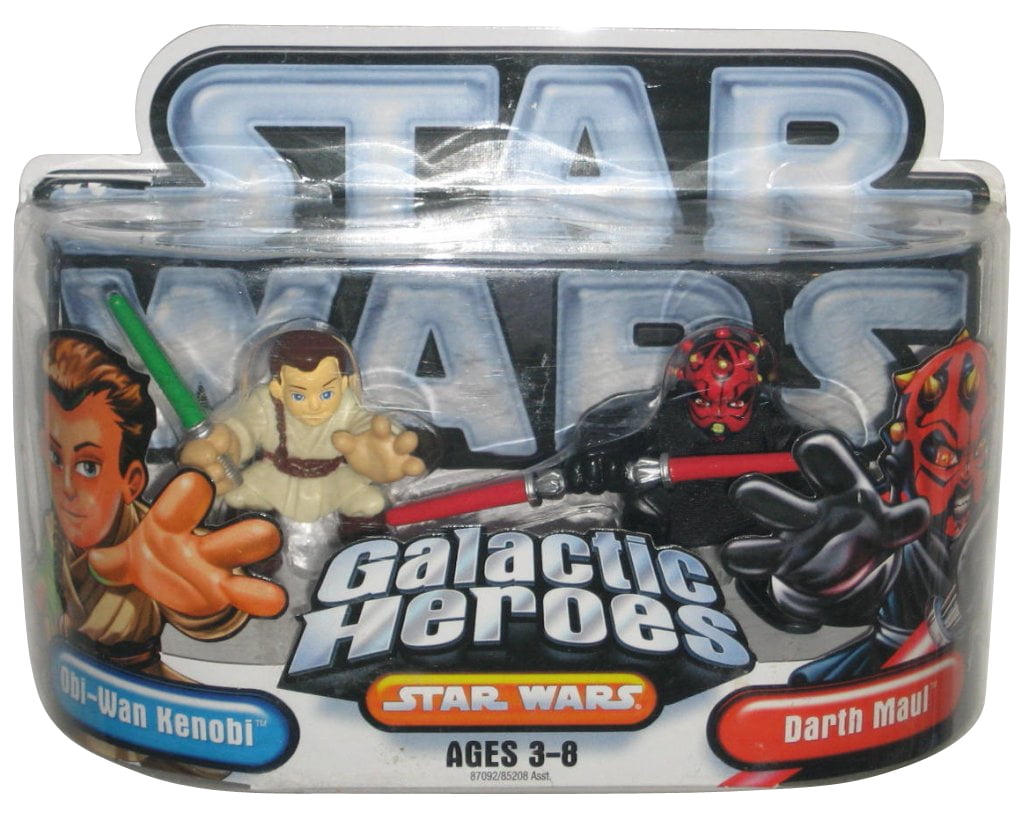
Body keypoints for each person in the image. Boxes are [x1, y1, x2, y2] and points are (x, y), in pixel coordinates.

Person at [723, 330, 990, 681]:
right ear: (900, 462)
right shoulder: (888, 529)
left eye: (979, 452)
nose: (966, 475)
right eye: (945, 456)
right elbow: (854, 589)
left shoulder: (980, 528)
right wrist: (815, 576)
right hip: (890, 674)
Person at [43, 331, 286, 677]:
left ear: (132, 481)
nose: (67, 487)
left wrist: (210, 600)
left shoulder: (154, 536)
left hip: (148, 686)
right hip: (69, 673)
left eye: (88, 467)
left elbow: (196, 579)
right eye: (55, 457)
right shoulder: (47, 533)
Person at [563, 323, 802, 547]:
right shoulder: (666, 418)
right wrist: (599, 464)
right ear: (687, 390)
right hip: (663, 541)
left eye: (734, 403)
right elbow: (619, 437)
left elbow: (808, 458)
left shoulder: (770, 425)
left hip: (751, 539)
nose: (718, 416)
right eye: (703, 402)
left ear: (754, 393)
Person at [180, 328, 425, 523]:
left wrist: (381, 447)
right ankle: (252, 556)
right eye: (298, 395)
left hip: (336, 479)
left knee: (370, 505)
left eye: (326, 393)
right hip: (273, 477)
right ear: (278, 388)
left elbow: (368, 424)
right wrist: (227, 443)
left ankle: (367, 559)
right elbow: (244, 427)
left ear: (342, 384)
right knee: (240, 499)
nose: (314, 406)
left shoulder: (348, 404)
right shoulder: (264, 402)